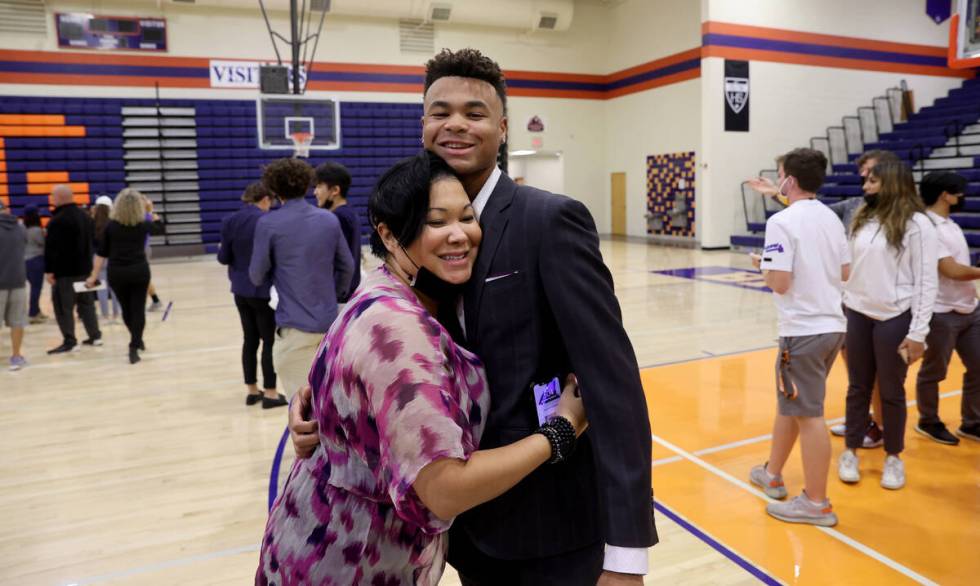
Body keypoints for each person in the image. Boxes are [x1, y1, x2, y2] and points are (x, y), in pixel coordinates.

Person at [289, 48, 657, 585]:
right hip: (459, 528)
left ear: (503, 127)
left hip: (549, 529)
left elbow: (613, 382)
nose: (455, 124)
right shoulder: (422, 230)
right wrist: (320, 408)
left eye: (474, 113)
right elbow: (387, 341)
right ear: (423, 126)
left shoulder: (549, 222)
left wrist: (625, 555)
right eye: (440, 112)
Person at [257, 151, 588, 585]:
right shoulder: (399, 331)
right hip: (349, 562)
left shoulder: (386, 289)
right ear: (390, 236)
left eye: (467, 217)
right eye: (437, 222)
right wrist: (561, 430)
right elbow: (444, 490)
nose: (460, 235)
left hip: (318, 541)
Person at [749, 149, 902, 447]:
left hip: (871, 311)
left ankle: (819, 490)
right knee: (853, 383)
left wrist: (767, 266)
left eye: (870, 173)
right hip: (845, 312)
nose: (864, 179)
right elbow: (810, 215)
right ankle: (859, 430)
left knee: (819, 408)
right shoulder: (847, 213)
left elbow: (781, 280)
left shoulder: (905, 218)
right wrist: (776, 193)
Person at [747, 149, 849, 527]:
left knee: (808, 415)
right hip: (832, 326)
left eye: (780, 174)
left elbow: (780, 281)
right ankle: (772, 473)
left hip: (802, 330)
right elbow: (846, 270)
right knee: (792, 404)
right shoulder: (831, 218)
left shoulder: (782, 221)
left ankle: (816, 502)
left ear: (789, 179)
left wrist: (764, 267)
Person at [838, 161, 938, 490]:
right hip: (857, 313)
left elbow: (926, 281)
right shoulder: (862, 218)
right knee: (857, 387)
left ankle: (893, 457)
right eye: (865, 180)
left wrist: (918, 332)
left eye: (873, 181)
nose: (865, 186)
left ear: (892, 183)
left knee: (892, 392)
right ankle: (850, 450)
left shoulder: (918, 224)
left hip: (895, 317)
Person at [249, 158, 354, 402]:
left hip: (296, 329)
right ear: (307, 184)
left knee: (304, 414)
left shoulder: (268, 223)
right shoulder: (329, 219)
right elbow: (347, 267)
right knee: (336, 407)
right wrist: (334, 295)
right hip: (331, 327)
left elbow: (256, 276)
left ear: (273, 190)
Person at [915, 172, 980, 444]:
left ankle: (972, 422)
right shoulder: (927, 227)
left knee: (979, 366)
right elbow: (950, 270)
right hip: (941, 312)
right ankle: (928, 420)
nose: (962, 196)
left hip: (968, 308)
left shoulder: (949, 224)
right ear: (945, 194)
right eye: (959, 192)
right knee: (934, 371)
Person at [217, 183, 283, 408]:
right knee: (269, 341)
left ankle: (252, 390)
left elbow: (223, 257)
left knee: (249, 340)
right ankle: (271, 394)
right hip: (264, 290)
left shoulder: (230, 221)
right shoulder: (267, 221)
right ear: (265, 199)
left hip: (239, 289)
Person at [85, 189, 163, 364]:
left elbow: (101, 253)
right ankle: (135, 344)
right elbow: (160, 228)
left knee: (127, 311)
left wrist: (93, 276)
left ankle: (135, 340)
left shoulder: (110, 227)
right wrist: (150, 211)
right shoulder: (142, 224)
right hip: (139, 272)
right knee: (138, 309)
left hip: (117, 273)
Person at [44, 184, 101, 353]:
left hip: (65, 273)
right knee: (87, 304)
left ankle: (70, 340)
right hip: (85, 270)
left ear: (59, 198)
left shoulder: (56, 221)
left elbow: (51, 249)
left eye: (53, 196)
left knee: (63, 307)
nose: (51, 198)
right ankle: (95, 335)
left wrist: (49, 270)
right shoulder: (86, 217)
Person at [314, 161, 362, 301]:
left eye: (319, 186)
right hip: (346, 292)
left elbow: (340, 263)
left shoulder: (338, 217)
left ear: (335, 190)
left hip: (338, 296)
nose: (315, 192)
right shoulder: (349, 213)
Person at [0, 199, 28, 370]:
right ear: (7, 209)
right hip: (18, 280)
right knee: (17, 321)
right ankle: (16, 356)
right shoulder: (20, 228)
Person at [91, 195, 121, 323]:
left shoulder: (92, 223)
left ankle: (104, 316)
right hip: (112, 257)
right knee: (115, 288)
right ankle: (117, 314)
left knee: (101, 288)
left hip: (97, 258)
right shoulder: (114, 222)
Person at [22, 205, 47, 324]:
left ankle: (36, 310)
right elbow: (43, 244)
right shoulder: (37, 230)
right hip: (36, 260)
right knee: (36, 288)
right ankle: (32, 313)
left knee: (33, 287)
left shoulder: (21, 228)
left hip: (24, 261)